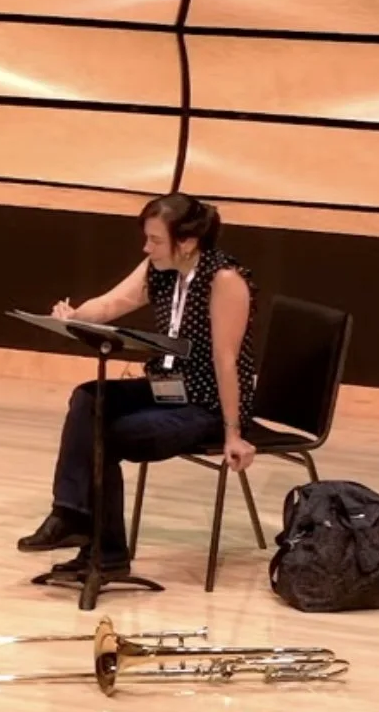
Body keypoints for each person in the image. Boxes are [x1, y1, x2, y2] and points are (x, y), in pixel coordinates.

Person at [16, 192, 258, 577]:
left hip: (207, 405)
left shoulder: (225, 280)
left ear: (188, 242)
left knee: (106, 433)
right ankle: (71, 515)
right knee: (88, 398)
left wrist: (233, 433)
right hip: (169, 389)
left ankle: (104, 552)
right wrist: (74, 317)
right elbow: (111, 305)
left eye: (156, 240)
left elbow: (225, 360)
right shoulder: (158, 268)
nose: (147, 247)